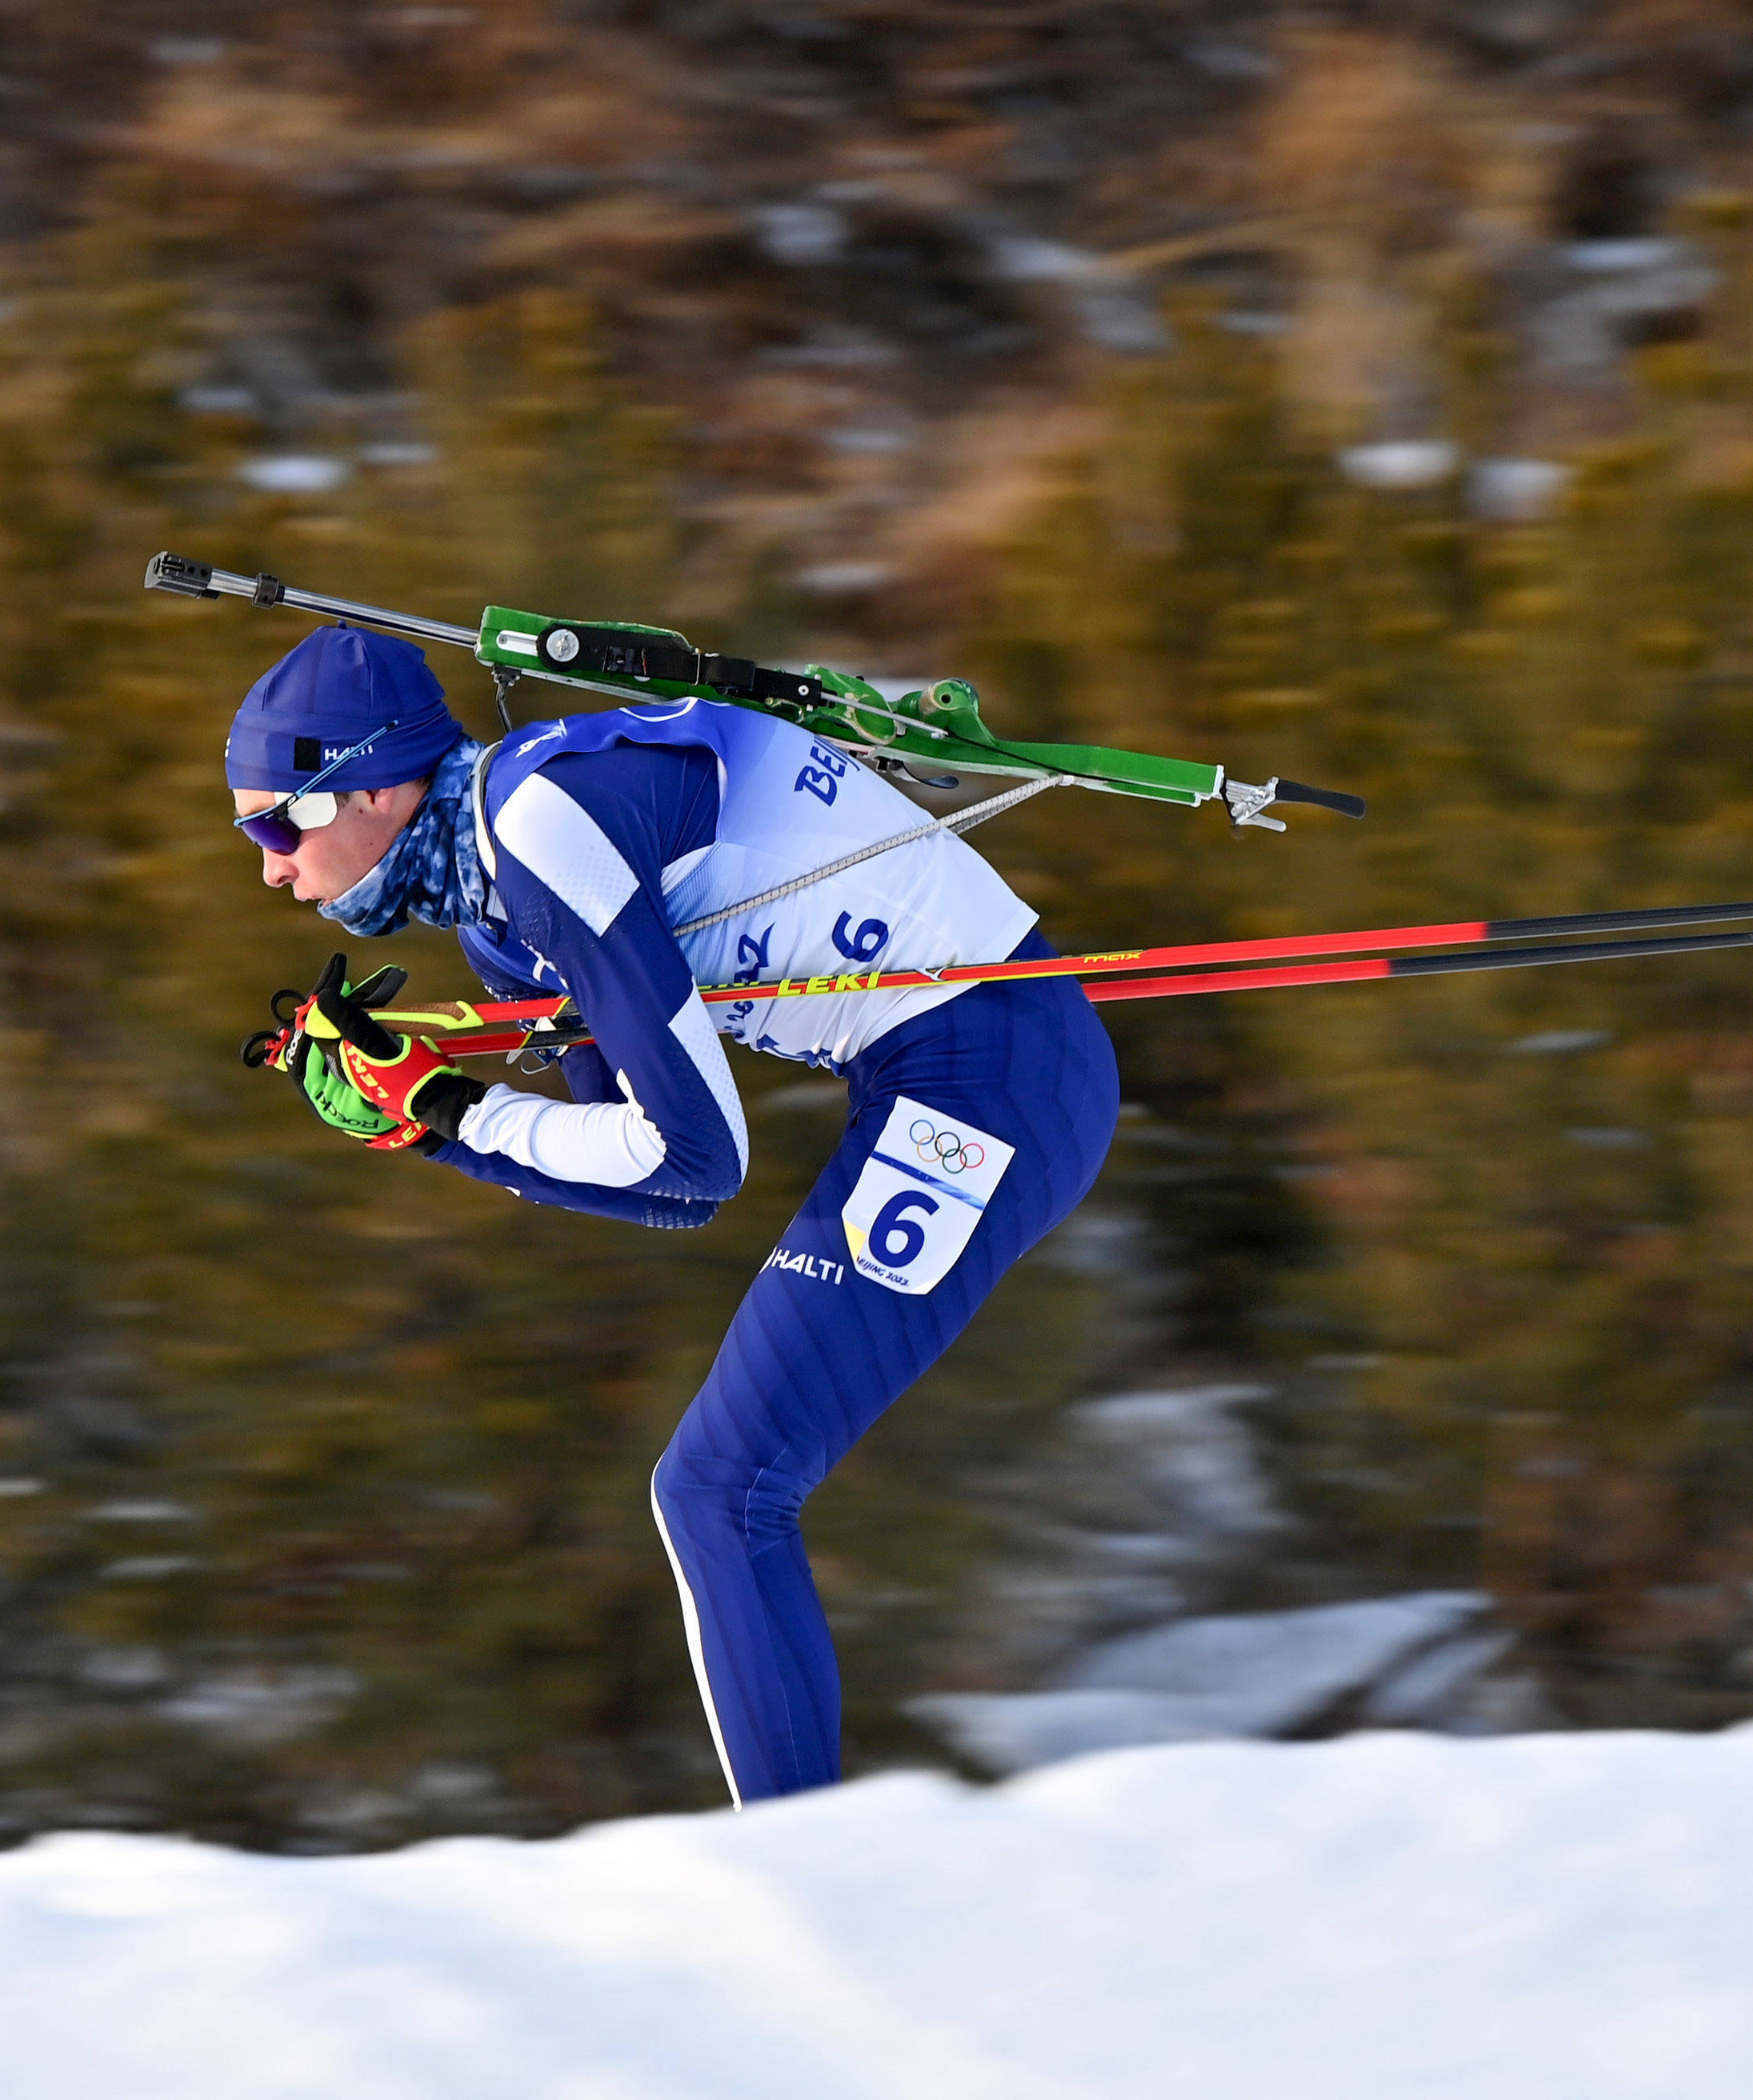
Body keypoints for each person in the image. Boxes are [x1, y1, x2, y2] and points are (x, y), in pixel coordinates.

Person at [224, 622, 1121, 1806]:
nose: (272, 868)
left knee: (720, 1491)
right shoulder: (498, 897)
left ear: (379, 788)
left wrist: (446, 1114)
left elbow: (695, 1160)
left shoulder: (544, 836)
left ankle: (812, 1874)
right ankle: (811, 1855)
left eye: (277, 823)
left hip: (992, 1084)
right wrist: (435, 1112)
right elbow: (645, 1180)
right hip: (944, 1069)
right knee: (715, 1490)